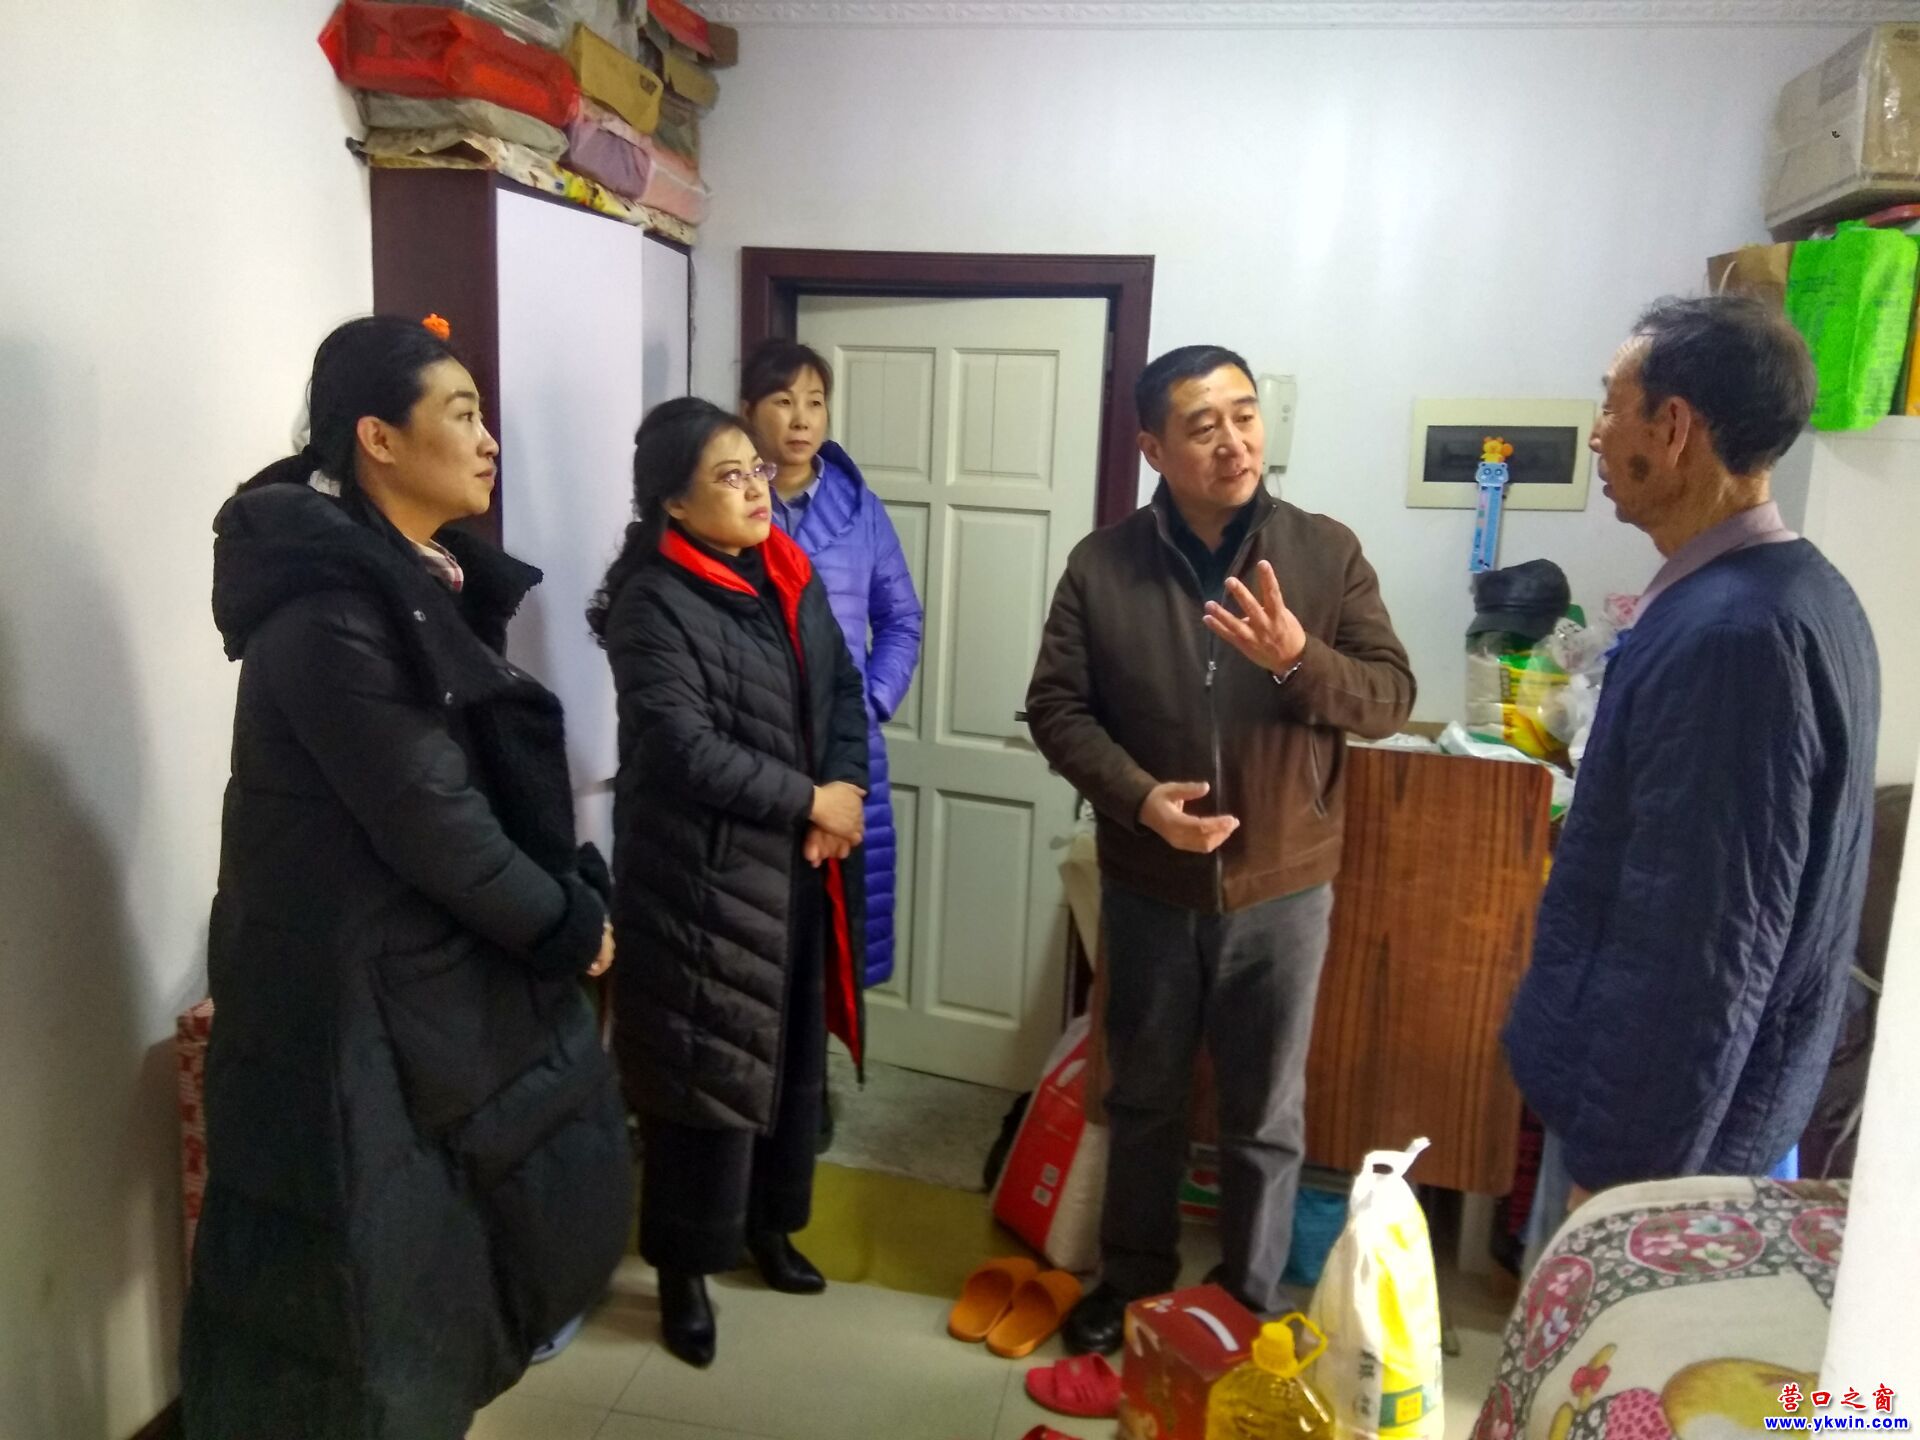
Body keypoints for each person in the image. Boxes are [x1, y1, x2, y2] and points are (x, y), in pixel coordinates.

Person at [184, 316, 633, 1440]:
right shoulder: (333, 609)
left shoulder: (415, 579)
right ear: (378, 439)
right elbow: (433, 820)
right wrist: (564, 924)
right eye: (462, 413)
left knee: (428, 1279)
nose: (489, 440)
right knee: (360, 1302)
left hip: (408, 980)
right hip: (345, 1001)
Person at [1025, 344, 1414, 1354]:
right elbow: (1057, 708)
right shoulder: (1103, 564)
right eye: (1203, 426)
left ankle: (1246, 1298)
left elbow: (1388, 697)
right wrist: (1139, 800)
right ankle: (1131, 1280)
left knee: (1265, 1112)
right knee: (1142, 1096)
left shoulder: (1324, 551)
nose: (1235, 442)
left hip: (1284, 887)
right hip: (1150, 877)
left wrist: (1297, 658)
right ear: (1154, 448)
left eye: (1245, 415)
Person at [1503, 295, 1879, 1268]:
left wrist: (1624, 1180)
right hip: (1713, 1117)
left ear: (1672, 429)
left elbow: (1698, 946)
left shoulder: (1732, 638)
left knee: (1609, 1352)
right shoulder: (1801, 590)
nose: (1596, 434)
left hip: (1667, 1150)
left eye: (1610, 405)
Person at [590, 397, 869, 1369]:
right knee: (701, 1075)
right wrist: (810, 800)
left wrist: (841, 793)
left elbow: (841, 691)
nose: (757, 488)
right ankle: (683, 1272)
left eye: (756, 469)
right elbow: (683, 746)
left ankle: (769, 1227)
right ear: (673, 501)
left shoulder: (786, 570)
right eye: (729, 475)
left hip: (796, 867)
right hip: (698, 881)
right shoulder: (654, 601)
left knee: (786, 1058)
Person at [738, 340, 924, 1147]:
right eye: (784, 400)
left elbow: (901, 619)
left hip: (846, 757)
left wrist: (870, 705)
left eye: (815, 401)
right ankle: (755, 1097)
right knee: (752, 922)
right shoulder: (729, 500)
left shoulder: (859, 509)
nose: (801, 418)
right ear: (749, 410)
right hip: (756, 746)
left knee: (832, 927)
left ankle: (807, 1096)